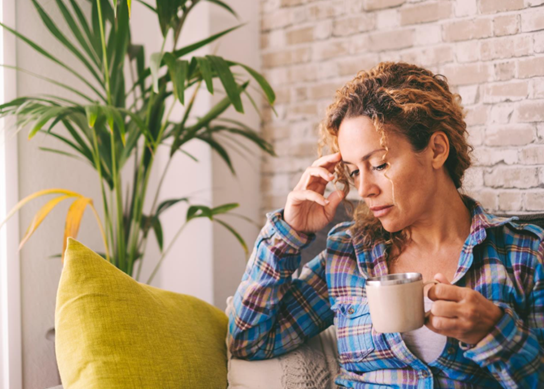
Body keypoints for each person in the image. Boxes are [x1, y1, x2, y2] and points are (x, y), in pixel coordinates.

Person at [227, 62, 544, 388]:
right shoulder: (349, 255)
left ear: (437, 150)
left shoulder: (523, 254)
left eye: (379, 164)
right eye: (353, 172)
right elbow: (249, 341)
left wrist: (495, 332)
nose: (364, 190)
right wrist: (288, 234)